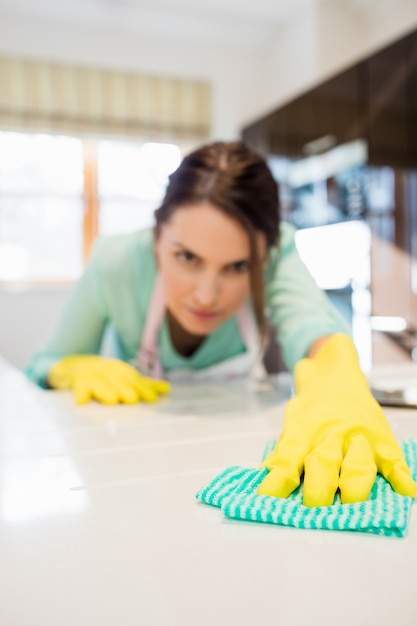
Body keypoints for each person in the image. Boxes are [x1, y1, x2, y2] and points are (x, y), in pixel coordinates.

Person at [25, 140, 416, 507]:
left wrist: (338, 383)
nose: (206, 296)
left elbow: (314, 326)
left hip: (233, 454)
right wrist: (71, 367)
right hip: (132, 469)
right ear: (157, 235)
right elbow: (43, 362)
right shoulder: (117, 262)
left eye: (238, 266)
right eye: (186, 258)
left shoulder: (277, 253)